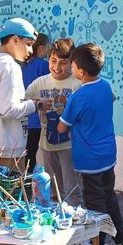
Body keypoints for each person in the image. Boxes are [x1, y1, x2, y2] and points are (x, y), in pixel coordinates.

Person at [58, 43, 123, 245]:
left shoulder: (78, 97)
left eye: (72, 65)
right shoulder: (106, 87)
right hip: (108, 155)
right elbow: (108, 102)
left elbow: (61, 127)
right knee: (109, 197)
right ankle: (121, 243)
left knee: (95, 207)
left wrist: (63, 112)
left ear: (80, 70)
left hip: (88, 161)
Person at [0, 18, 42, 166]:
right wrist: (34, 104)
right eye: (28, 44)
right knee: (11, 188)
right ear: (15, 40)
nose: (31, 50)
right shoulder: (10, 66)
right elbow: (8, 110)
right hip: (9, 146)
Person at [25, 38, 81, 204]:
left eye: (63, 63)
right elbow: (22, 101)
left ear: (72, 63)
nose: (57, 67)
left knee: (72, 188)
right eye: (53, 61)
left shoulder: (77, 84)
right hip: (46, 145)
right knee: (51, 186)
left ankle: (76, 221)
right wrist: (37, 103)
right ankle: (56, 217)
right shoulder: (40, 83)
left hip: (70, 146)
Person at [21, 33, 50, 173]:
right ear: (42, 48)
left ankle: (26, 179)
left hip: (26, 115)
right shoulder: (43, 66)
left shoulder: (24, 65)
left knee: (29, 151)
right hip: (38, 117)